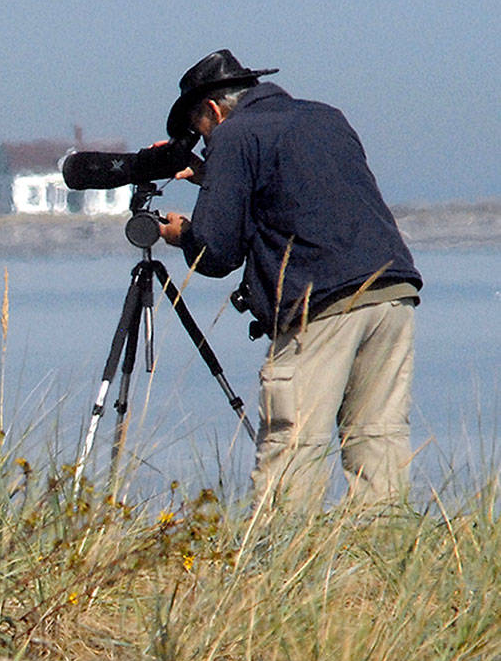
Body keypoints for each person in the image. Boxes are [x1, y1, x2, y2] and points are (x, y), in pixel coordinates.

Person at [156, 49, 422, 510]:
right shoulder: (324, 118)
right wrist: (216, 179)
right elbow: (297, 191)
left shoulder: (234, 134)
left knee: (294, 442)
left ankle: (281, 548)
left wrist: (181, 235)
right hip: (392, 292)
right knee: (378, 437)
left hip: (321, 305)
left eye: (201, 132)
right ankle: (385, 545)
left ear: (214, 110)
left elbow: (215, 253)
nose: (205, 142)